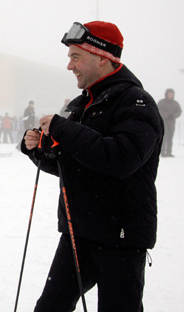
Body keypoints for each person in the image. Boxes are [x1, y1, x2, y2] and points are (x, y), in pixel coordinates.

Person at [21, 21, 163, 311]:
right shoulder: (80, 103)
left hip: (121, 240)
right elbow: (69, 163)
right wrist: (37, 150)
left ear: (103, 57)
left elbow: (121, 160)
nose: (69, 66)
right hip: (78, 233)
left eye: (76, 57)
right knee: (49, 307)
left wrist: (64, 130)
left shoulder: (137, 103)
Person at [158, 88, 181, 157]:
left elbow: (179, 111)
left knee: (170, 138)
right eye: (169, 94)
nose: (171, 95)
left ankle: (169, 152)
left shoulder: (175, 103)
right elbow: (158, 110)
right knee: (164, 137)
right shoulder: (162, 102)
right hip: (164, 122)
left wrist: (173, 115)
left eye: (172, 94)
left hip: (172, 123)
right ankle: (162, 152)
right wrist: (166, 115)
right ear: (166, 94)